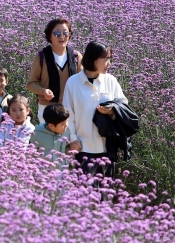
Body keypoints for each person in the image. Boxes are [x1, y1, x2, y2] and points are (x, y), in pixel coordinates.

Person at [63, 41, 127, 178]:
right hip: (82, 148)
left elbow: (123, 106)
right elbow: (68, 115)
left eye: (109, 59)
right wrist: (73, 139)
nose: (109, 63)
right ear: (93, 59)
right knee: (84, 194)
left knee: (105, 194)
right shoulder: (73, 83)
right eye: (105, 59)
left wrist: (112, 110)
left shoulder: (111, 80)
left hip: (107, 148)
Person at [27, 18, 83, 123]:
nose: (62, 36)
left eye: (66, 33)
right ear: (49, 36)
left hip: (71, 108)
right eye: (57, 33)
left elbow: (84, 81)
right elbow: (31, 84)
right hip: (48, 109)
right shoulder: (41, 57)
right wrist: (43, 91)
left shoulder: (76, 56)